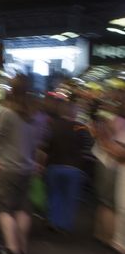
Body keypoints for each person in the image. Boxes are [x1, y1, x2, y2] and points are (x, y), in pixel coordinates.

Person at [0, 75, 42, 254]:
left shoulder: (6, 112)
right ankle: (22, 248)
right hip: (27, 168)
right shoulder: (34, 114)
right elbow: (37, 142)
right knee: (22, 209)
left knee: (3, 209)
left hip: (8, 168)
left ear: (11, 88)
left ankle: (12, 252)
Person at [42, 97, 93, 232]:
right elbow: (88, 148)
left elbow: (45, 146)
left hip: (54, 166)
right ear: (74, 113)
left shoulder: (52, 125)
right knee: (70, 197)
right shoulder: (82, 128)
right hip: (74, 169)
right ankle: (65, 224)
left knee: (55, 194)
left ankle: (53, 221)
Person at [93, 89, 125, 254]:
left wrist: (102, 138)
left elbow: (117, 152)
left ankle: (109, 237)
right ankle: (106, 236)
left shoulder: (117, 120)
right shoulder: (116, 119)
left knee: (107, 203)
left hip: (110, 165)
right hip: (111, 166)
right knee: (107, 202)